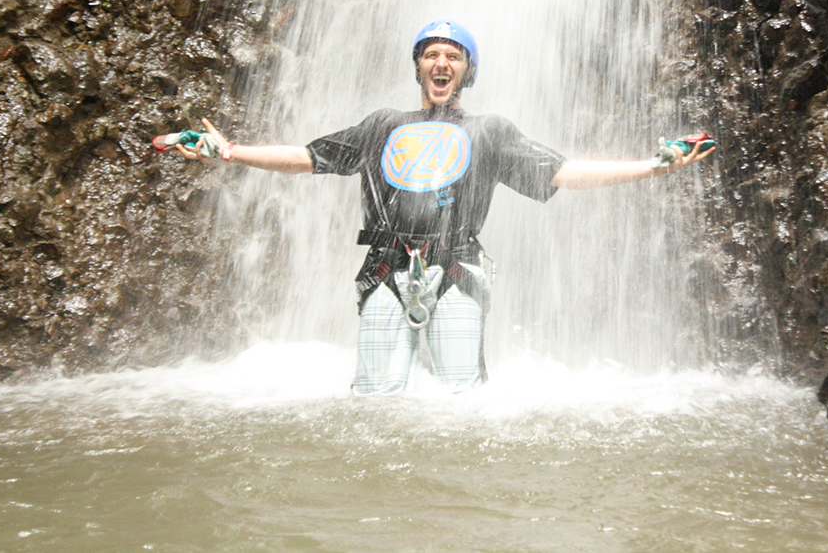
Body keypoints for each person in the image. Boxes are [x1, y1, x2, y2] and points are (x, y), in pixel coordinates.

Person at [169, 20, 714, 395]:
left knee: (460, 405)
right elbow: (309, 158)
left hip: (456, 270)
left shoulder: (490, 133)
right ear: (417, 68)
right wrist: (232, 152)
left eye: (453, 56)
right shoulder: (383, 125)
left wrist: (651, 167)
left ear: (467, 72)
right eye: (430, 54)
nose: (441, 62)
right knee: (375, 402)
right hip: (385, 271)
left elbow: (562, 173)